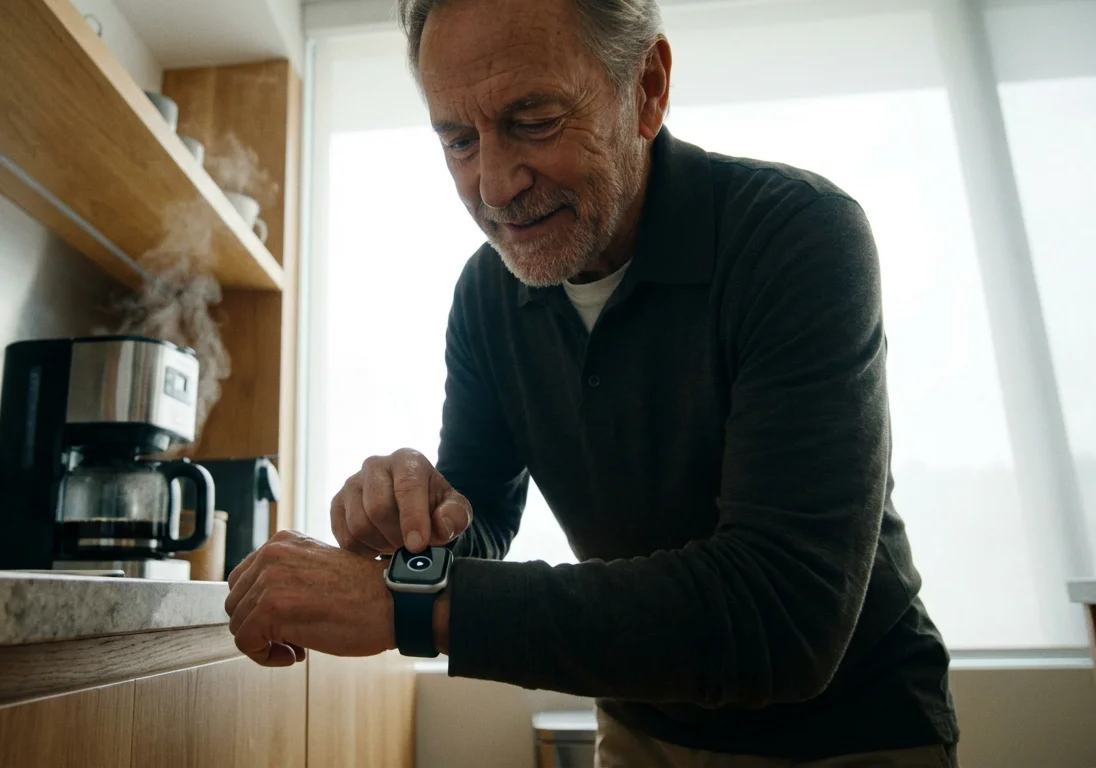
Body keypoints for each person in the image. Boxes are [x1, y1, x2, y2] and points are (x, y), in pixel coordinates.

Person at [223, 0, 960, 764]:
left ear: (647, 88)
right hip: (645, 724)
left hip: (854, 730)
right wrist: (412, 524)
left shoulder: (798, 236)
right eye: (458, 140)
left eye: (534, 120)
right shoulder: (487, 295)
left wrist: (412, 606)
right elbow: (477, 527)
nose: (496, 186)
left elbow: (782, 617)